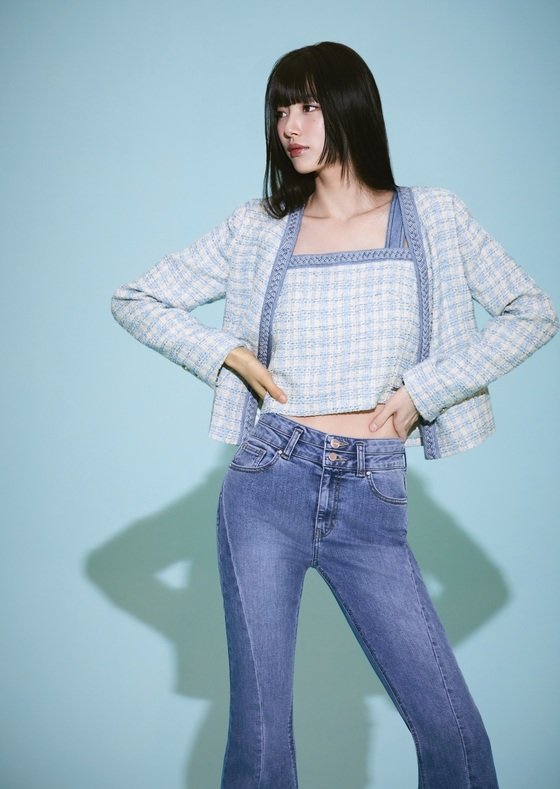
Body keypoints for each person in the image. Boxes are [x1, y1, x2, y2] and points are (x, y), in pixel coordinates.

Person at [111, 41, 558, 789]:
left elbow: (533, 311)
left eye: (309, 106)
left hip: (372, 491)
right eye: (280, 109)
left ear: (352, 107)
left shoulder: (434, 216)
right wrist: (226, 352)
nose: (290, 125)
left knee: (455, 736)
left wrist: (426, 391)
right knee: (260, 739)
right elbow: (136, 298)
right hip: (268, 483)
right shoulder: (260, 227)